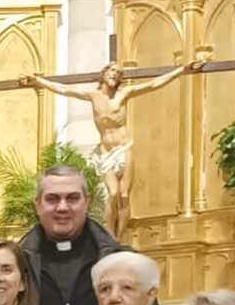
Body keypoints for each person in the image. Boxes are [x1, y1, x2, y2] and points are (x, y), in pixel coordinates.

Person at [20, 61, 202, 239]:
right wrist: (38, 81)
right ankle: (108, 237)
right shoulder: (93, 95)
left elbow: (153, 84)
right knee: (112, 193)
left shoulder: (124, 94)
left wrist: (181, 70)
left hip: (124, 147)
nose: (115, 74)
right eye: (112, 70)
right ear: (104, 74)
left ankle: (121, 238)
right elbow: (65, 90)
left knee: (123, 195)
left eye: (118, 72)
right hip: (105, 152)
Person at [19, 166, 144, 305]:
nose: (62, 207)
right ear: (37, 205)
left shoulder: (124, 262)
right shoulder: (18, 264)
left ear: (86, 203)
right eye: (52, 199)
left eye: (72, 198)